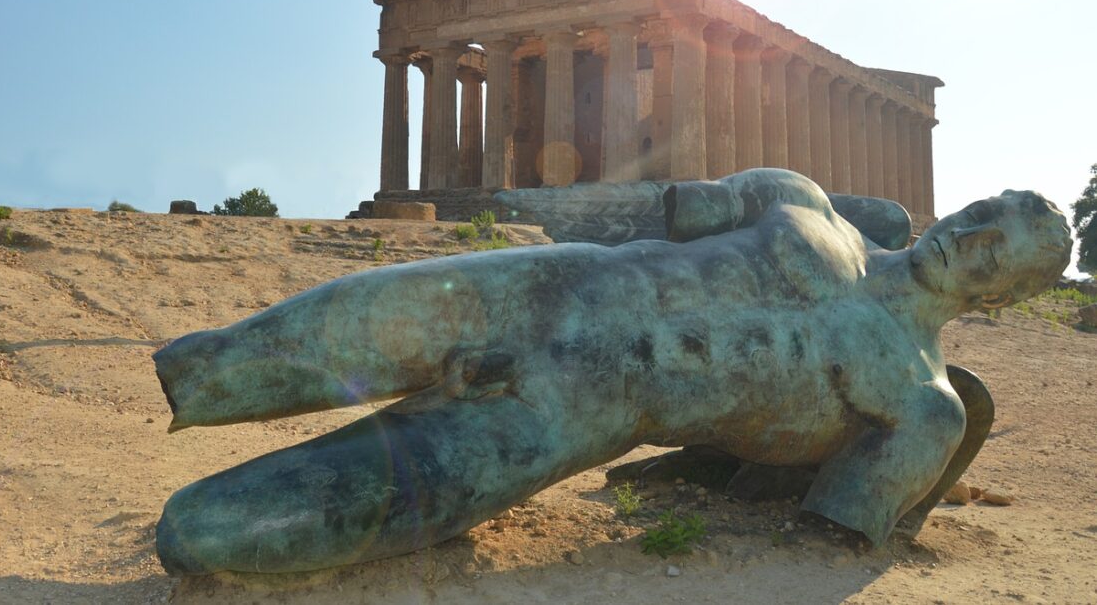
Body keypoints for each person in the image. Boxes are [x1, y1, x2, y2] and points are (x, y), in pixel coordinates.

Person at [153, 168, 1071, 575]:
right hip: (550, 288)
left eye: (998, 258)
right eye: (984, 212)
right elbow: (664, 208)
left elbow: (838, 521)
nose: (972, 239)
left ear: (1002, 302)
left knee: (206, 535)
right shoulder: (803, 201)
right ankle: (193, 385)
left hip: (576, 414)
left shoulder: (925, 405)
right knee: (263, 348)